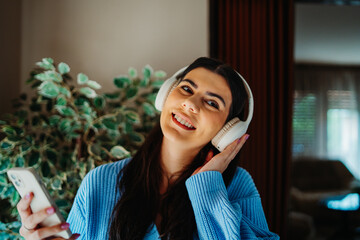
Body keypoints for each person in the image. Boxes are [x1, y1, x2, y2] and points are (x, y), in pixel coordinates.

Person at [16, 57, 280, 239]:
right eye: (186, 88)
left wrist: (207, 188)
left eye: (212, 103)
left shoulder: (238, 187)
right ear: (166, 95)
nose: (191, 104)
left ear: (228, 130)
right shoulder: (100, 181)